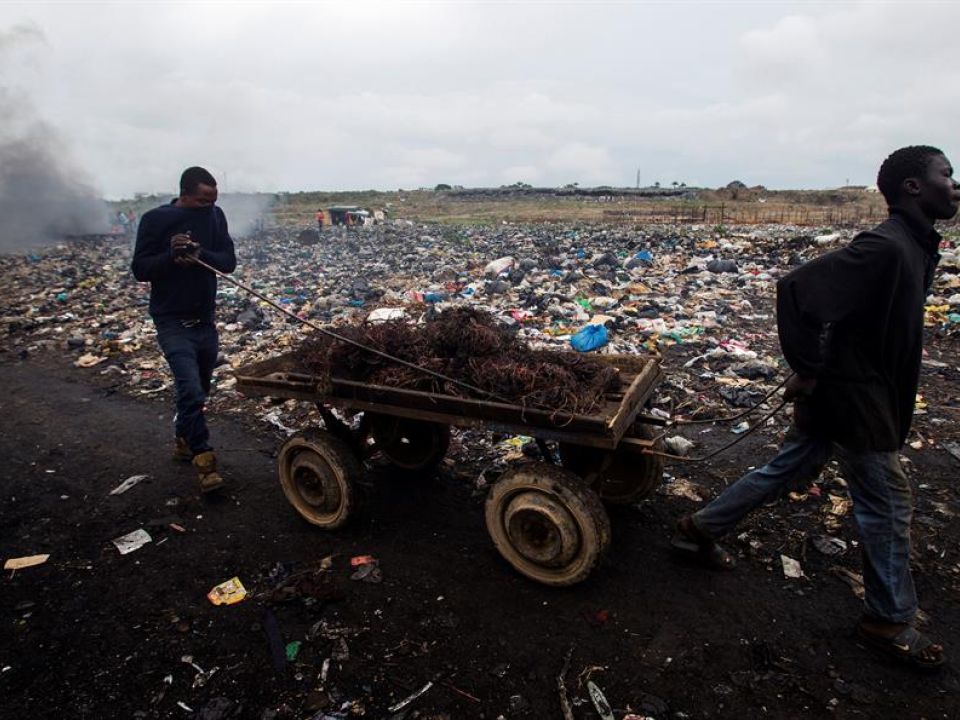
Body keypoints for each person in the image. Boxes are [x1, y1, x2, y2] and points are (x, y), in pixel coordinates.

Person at [673, 145, 959, 671]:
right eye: (947, 174)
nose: (954, 184)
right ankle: (888, 621)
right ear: (913, 188)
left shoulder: (915, 246)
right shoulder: (887, 248)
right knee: (888, 503)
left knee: (790, 467)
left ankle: (699, 531)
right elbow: (797, 289)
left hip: (849, 392)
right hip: (856, 399)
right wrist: (806, 366)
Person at [131, 166, 237, 492]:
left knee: (199, 390)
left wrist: (200, 254)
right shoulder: (155, 220)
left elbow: (228, 261)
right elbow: (140, 269)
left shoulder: (215, 217)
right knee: (190, 388)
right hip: (172, 320)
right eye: (204, 201)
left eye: (213, 200)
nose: (210, 206)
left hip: (204, 320)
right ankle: (205, 463)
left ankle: (182, 438)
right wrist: (171, 257)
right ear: (185, 194)